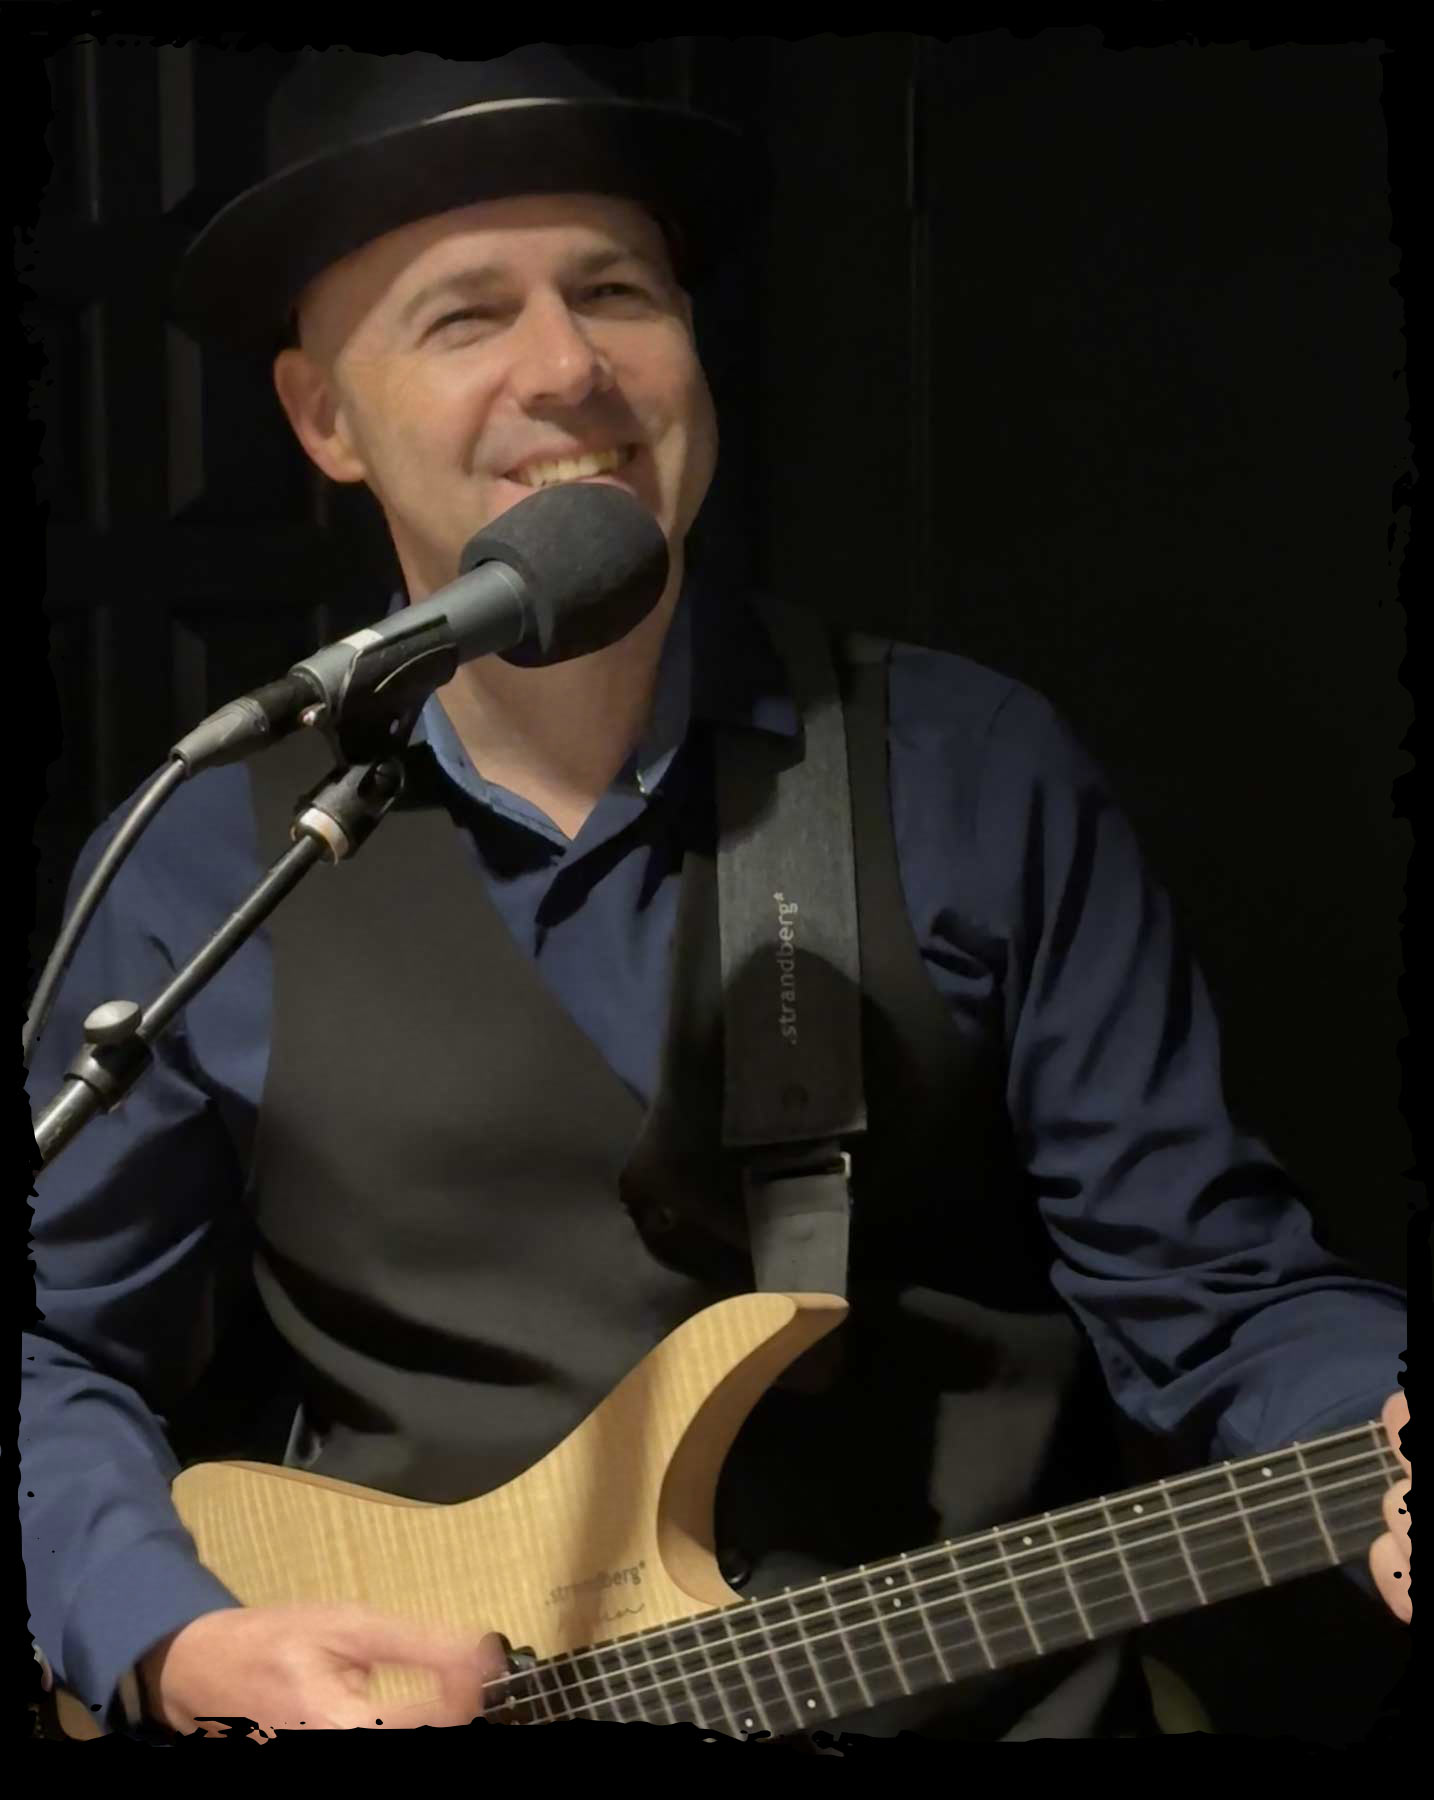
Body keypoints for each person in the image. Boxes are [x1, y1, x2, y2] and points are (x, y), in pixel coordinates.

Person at [22, 45, 1409, 1743]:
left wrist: (1376, 1418)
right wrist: (164, 1636)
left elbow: (1216, 1295)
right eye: (467, 316)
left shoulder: (965, 770)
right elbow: (48, 1346)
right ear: (324, 418)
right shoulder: (203, 855)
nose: (570, 368)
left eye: (615, 290)